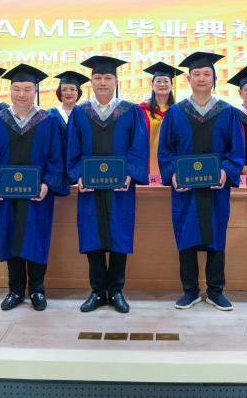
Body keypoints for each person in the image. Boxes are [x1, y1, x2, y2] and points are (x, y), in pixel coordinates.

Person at [0, 64, 69, 312]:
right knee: (11, 237)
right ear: (9, 90)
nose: (21, 94)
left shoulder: (48, 121)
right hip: (7, 195)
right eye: (17, 89)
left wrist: (48, 183)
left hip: (38, 195)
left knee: (37, 238)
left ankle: (37, 290)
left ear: (35, 91)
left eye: (27, 89)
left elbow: (57, 158)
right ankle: (15, 290)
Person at [158, 52, 245, 311]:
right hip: (185, 190)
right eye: (196, 74)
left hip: (216, 189)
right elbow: (165, 151)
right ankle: (190, 291)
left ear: (214, 78)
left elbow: (236, 150)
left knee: (216, 237)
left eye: (207, 74)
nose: (202, 78)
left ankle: (216, 291)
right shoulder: (175, 113)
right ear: (188, 79)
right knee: (186, 238)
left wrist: (226, 171)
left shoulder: (227, 112)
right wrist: (173, 174)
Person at [67, 56, 148, 314]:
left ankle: (116, 291)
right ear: (91, 82)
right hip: (90, 188)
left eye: (107, 78)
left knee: (118, 237)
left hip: (120, 188)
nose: (102, 82)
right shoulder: (80, 113)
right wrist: (79, 175)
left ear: (116, 81)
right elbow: (72, 149)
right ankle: (97, 291)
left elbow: (138, 148)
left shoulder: (130, 111)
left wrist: (130, 174)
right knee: (93, 237)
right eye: (98, 78)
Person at [139, 62, 182, 182]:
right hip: (147, 164)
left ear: (171, 85)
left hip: (173, 165)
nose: (162, 84)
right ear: (152, 84)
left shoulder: (180, 111)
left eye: (166, 81)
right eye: (158, 81)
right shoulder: (141, 110)